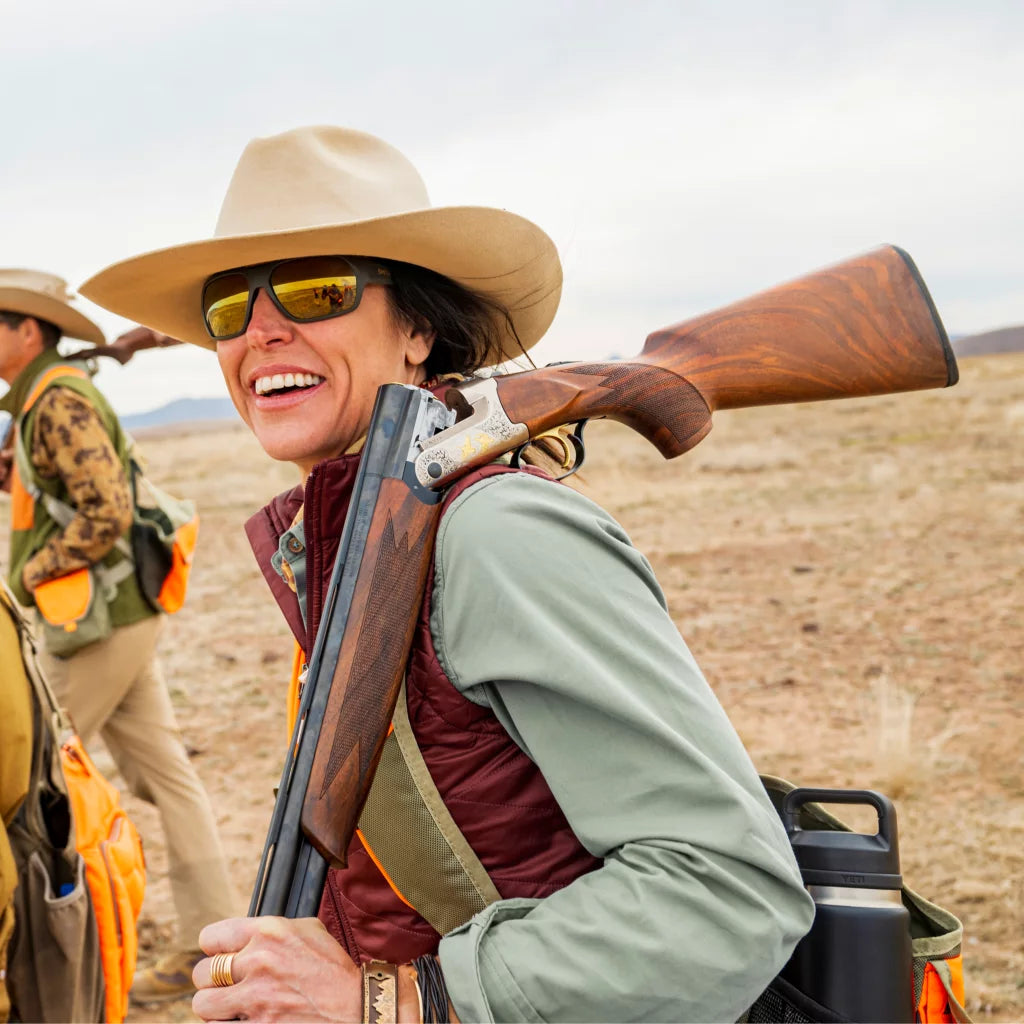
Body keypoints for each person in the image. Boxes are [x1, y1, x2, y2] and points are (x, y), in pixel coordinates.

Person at [80, 126, 815, 1023]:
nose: (261, 331)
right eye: (229, 309)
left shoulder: (494, 530)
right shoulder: (368, 531)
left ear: (419, 327)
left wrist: (389, 1001)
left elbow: (727, 895)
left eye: (318, 290)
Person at [0, 269, 238, 1004]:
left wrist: (28, 573)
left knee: (31, 775)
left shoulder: (58, 399)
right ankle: (211, 942)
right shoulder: (45, 396)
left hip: (99, 622)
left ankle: (48, 961)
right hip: (117, 616)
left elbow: (104, 511)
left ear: (28, 332)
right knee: (167, 776)